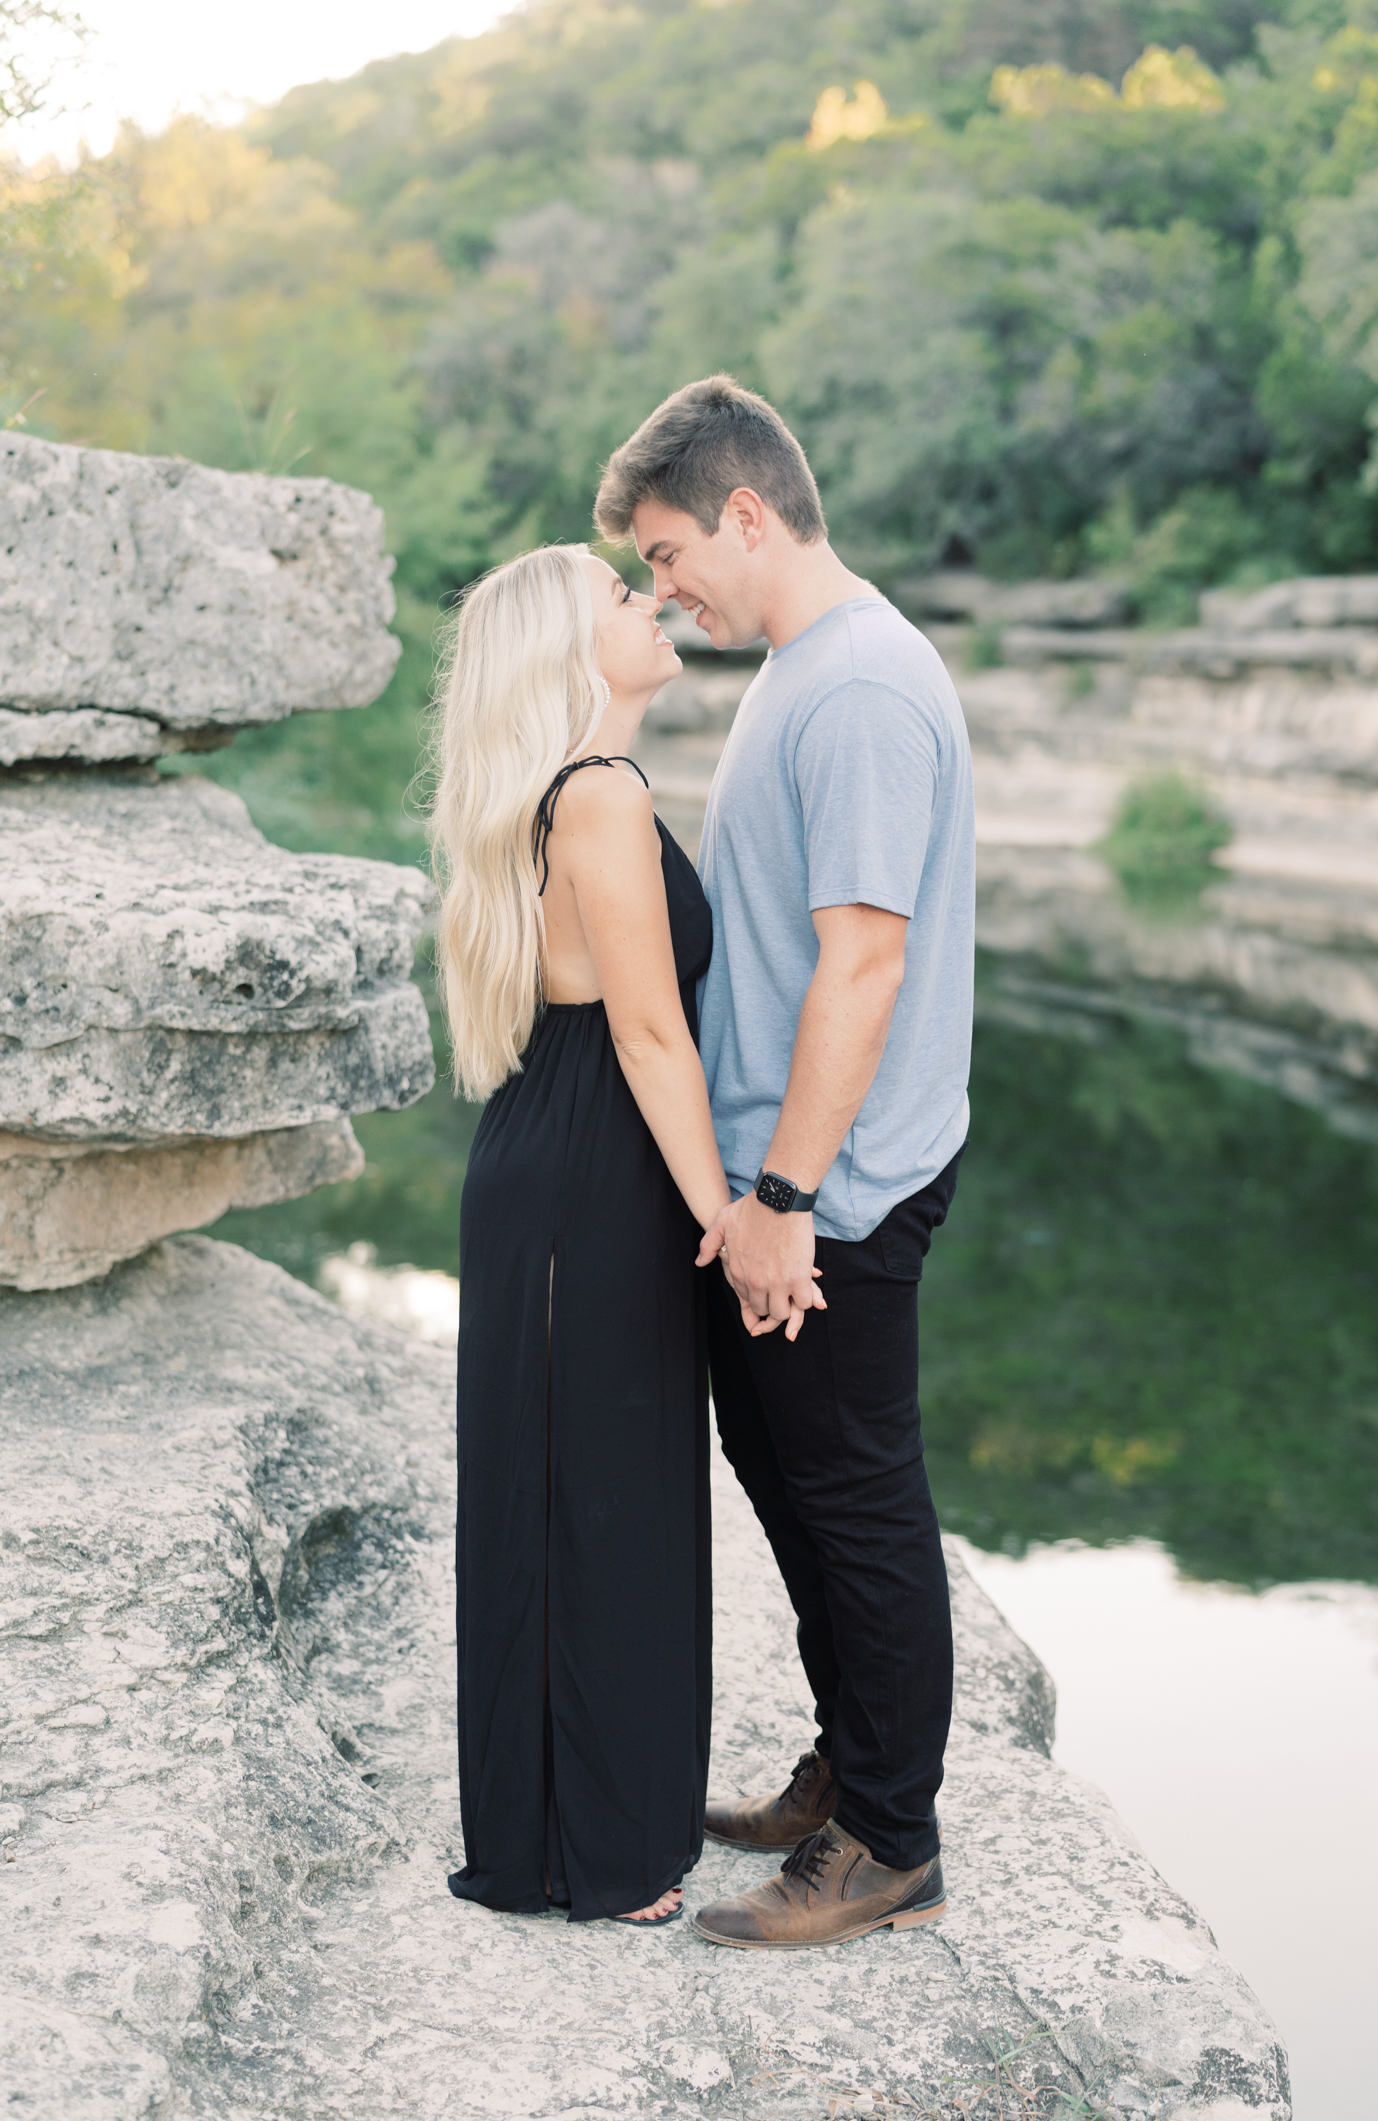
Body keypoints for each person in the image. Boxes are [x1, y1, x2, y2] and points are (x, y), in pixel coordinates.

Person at [594, 375, 976, 1950]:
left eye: (673, 549)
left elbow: (862, 971)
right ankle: (850, 1766)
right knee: (798, 1491)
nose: (661, 583)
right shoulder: (803, 668)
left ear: (748, 513)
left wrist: (783, 1203)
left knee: (854, 1500)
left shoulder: (865, 689)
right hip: (785, 1180)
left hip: (836, 1191)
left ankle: (891, 1838)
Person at [432, 545, 818, 1927]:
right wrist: (734, 1208)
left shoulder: (576, 796)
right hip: (592, 1175)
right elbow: (651, 1032)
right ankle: (581, 1852)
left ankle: (575, 1830)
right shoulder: (595, 795)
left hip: (573, 1162)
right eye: (618, 595)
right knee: (591, 1503)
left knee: (603, 1494)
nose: (646, 601)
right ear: (569, 653)